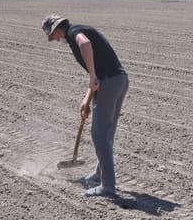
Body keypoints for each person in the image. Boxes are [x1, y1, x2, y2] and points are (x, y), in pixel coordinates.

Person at [42, 14, 129, 197]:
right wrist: (86, 99)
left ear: (57, 29)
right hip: (119, 80)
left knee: (99, 135)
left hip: (108, 82)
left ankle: (107, 185)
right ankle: (99, 175)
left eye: (54, 36)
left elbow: (85, 45)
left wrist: (91, 77)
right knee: (107, 134)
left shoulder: (75, 34)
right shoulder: (80, 29)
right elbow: (97, 71)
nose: (56, 40)